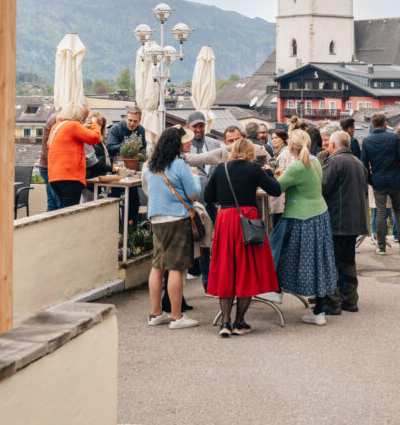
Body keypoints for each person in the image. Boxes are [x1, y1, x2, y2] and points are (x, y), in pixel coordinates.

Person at [204, 139, 282, 337]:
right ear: (249, 152)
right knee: (247, 269)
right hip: (247, 219)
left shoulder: (221, 169)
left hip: (225, 219)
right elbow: (275, 189)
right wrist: (268, 173)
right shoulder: (255, 168)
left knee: (226, 269)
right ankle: (239, 322)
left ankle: (225, 322)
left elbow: (208, 196)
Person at [275, 130, 337, 325]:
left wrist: (270, 175)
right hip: (320, 214)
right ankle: (318, 310)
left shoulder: (297, 166)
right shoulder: (314, 161)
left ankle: (275, 291)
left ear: (290, 146)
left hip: (301, 216)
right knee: (319, 262)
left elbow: (277, 188)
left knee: (280, 253)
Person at [144, 127, 202, 329]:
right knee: (176, 268)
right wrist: (195, 176)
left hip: (156, 217)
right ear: (177, 146)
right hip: (176, 218)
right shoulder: (180, 165)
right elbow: (193, 194)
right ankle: (177, 316)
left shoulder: (151, 166)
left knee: (157, 265)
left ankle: (156, 313)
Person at [321, 130, 368, 314]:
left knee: (332, 261)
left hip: (337, 219)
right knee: (348, 261)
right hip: (355, 221)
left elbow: (322, 188)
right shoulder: (358, 163)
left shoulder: (334, 162)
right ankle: (350, 300)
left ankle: (333, 302)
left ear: (333, 145)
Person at [362, 113, 400, 255]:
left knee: (381, 212)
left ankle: (381, 247)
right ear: (384, 124)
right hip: (395, 180)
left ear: (372, 124)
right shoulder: (393, 138)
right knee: (399, 211)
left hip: (379, 181)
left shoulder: (367, 141)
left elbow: (363, 164)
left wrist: (371, 180)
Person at [46, 103, 102, 209]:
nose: (82, 119)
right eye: (82, 117)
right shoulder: (73, 125)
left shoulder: (56, 126)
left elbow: (49, 144)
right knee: (70, 213)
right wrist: (95, 124)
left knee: (62, 210)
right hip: (70, 177)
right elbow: (94, 138)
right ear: (77, 115)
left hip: (54, 177)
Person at [105, 106, 147, 224]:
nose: (132, 123)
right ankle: (114, 228)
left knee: (134, 201)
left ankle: (131, 229)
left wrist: (140, 154)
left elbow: (143, 148)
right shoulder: (116, 129)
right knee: (113, 201)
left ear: (140, 120)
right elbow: (110, 148)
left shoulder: (141, 130)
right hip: (116, 172)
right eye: (130, 120)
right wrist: (128, 146)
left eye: (135, 121)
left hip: (132, 173)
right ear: (126, 118)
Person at [82, 112, 111, 201]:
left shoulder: (101, 139)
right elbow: (92, 161)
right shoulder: (87, 138)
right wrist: (111, 168)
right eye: (97, 124)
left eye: (101, 125)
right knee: (88, 206)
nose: (99, 128)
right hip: (89, 179)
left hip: (97, 178)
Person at [38, 113, 61, 212]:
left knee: (52, 202)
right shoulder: (58, 122)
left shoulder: (55, 118)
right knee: (58, 203)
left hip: (45, 165)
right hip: (50, 167)